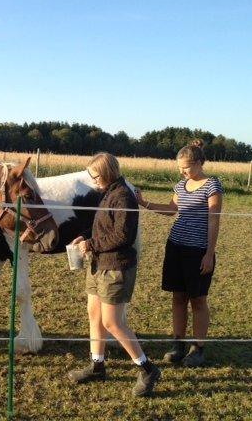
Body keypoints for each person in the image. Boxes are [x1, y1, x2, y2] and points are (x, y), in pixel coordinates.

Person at [67, 152, 161, 397]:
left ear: (108, 172)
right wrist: (85, 238)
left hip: (116, 267)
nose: (94, 180)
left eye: (96, 175)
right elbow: (103, 226)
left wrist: (92, 245)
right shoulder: (108, 193)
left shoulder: (124, 197)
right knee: (94, 314)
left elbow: (123, 236)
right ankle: (97, 365)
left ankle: (148, 369)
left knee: (113, 322)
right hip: (99, 264)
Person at [135, 140, 223, 367]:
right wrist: (144, 203)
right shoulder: (180, 186)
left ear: (200, 163)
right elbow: (172, 210)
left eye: (185, 167)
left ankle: (198, 348)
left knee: (198, 300)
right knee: (178, 298)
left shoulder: (212, 185)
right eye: (179, 168)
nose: (182, 171)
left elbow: (214, 221)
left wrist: (209, 254)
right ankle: (178, 344)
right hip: (175, 248)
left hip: (198, 252)